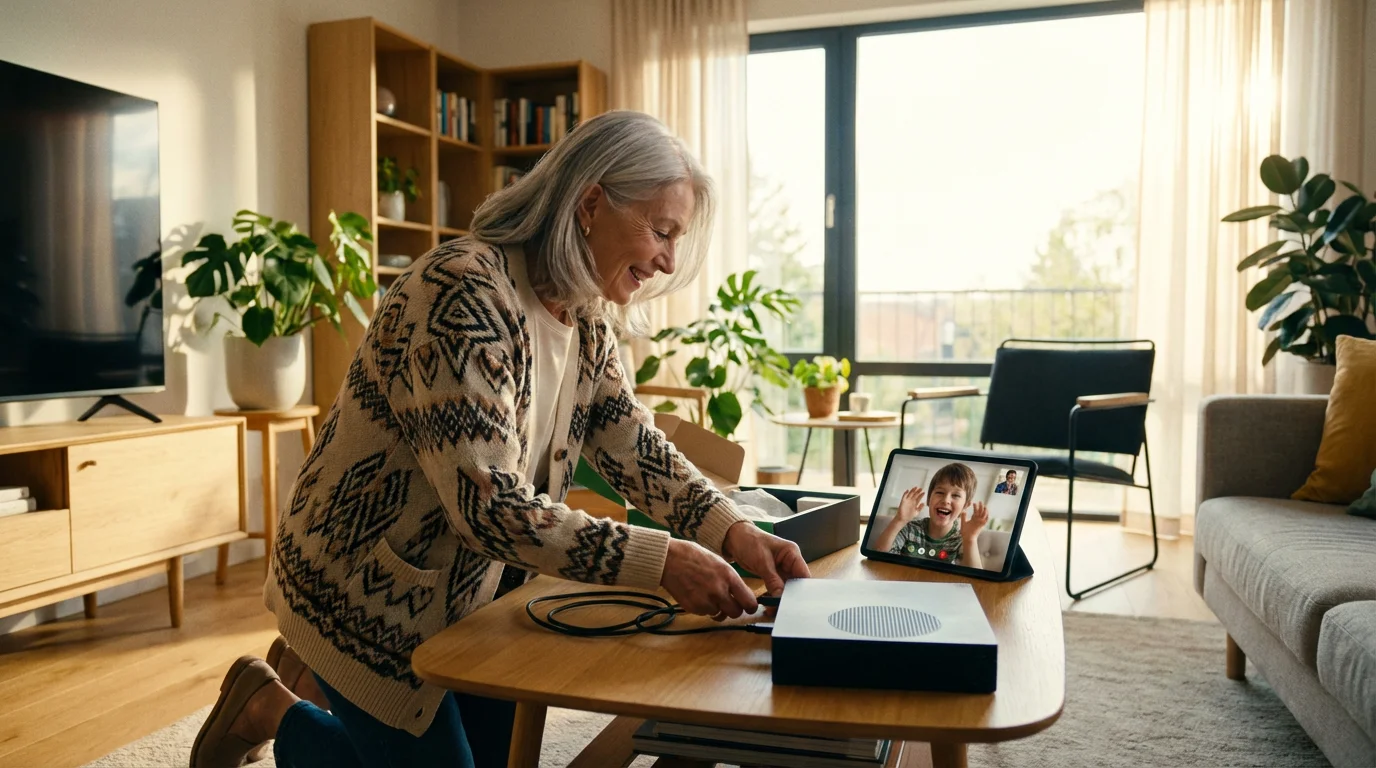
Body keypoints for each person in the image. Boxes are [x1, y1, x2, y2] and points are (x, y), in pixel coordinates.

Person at [191, 111, 811, 768]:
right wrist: (665, 562)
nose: (667, 260)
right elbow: (490, 505)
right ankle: (269, 707)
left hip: (474, 594)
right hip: (357, 589)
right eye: (661, 232)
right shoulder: (463, 291)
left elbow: (633, 445)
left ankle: (271, 702)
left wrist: (732, 530)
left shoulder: (585, 317)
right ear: (591, 205)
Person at [870, 463, 989, 569]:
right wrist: (899, 520)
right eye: (940, 492)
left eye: (956, 495)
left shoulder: (962, 539)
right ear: (928, 499)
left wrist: (970, 539)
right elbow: (878, 555)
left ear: (965, 505)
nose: (946, 500)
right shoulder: (910, 529)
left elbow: (975, 577)